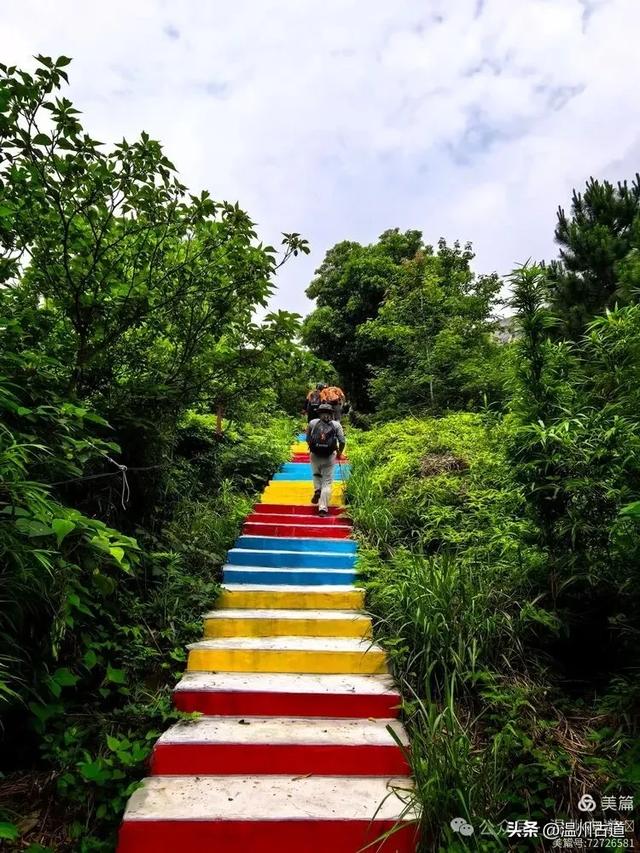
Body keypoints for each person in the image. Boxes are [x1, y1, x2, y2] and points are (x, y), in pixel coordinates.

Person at [306, 403, 346, 516]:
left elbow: (308, 439)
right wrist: (339, 453)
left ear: (319, 413)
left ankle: (317, 489)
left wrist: (313, 447)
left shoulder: (312, 423)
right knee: (327, 482)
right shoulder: (336, 425)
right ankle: (323, 509)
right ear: (331, 413)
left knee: (316, 475)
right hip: (329, 456)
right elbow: (342, 441)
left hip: (315, 454)